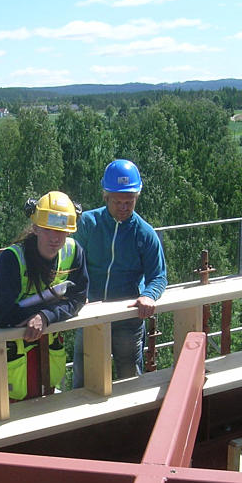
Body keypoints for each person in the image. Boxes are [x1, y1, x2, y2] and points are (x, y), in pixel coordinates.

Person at [72, 159, 167, 386]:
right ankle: (84, 423)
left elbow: (159, 275)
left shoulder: (144, 233)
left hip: (128, 319)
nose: (124, 207)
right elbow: (72, 265)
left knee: (130, 380)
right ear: (106, 197)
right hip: (90, 315)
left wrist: (148, 295)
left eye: (129, 201)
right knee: (84, 380)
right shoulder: (88, 224)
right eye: (118, 202)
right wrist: (77, 294)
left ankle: (132, 420)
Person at [0, 191, 88, 401]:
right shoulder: (12, 258)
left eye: (61, 231)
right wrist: (50, 310)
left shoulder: (74, 252)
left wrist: (46, 316)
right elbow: (2, 314)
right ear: (35, 228)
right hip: (15, 358)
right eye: (48, 230)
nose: (55, 238)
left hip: (49, 355)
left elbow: (79, 298)